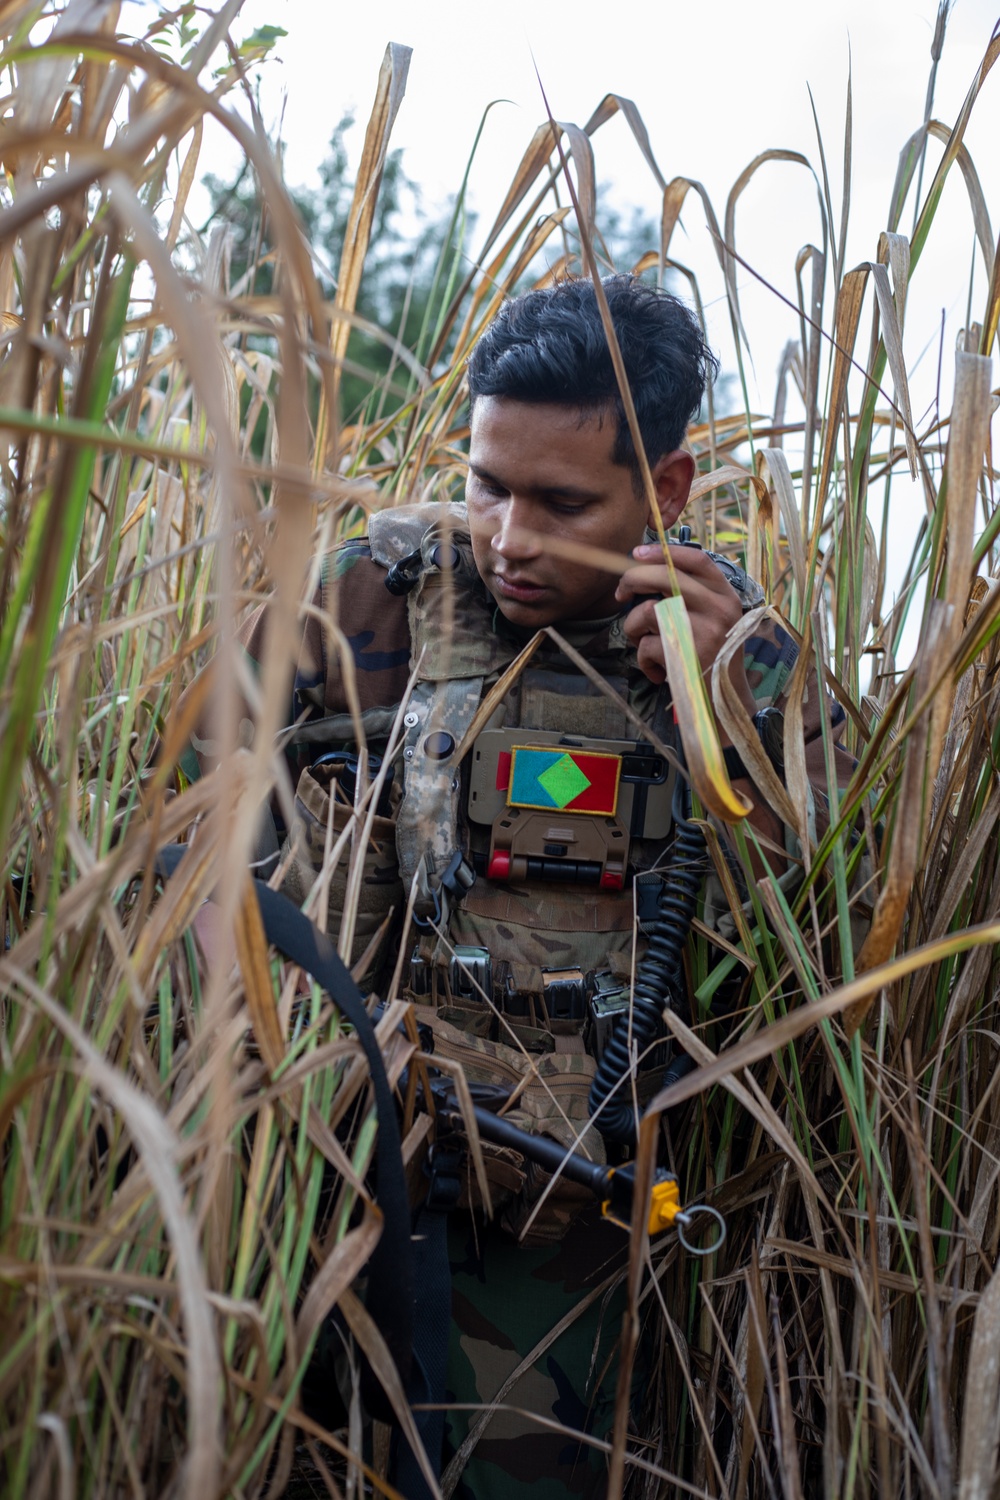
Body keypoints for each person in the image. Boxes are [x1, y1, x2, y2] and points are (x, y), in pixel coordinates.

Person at [179, 274, 848, 1498]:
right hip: (314, 1198)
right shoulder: (370, 600)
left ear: (670, 492)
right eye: (487, 483)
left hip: (557, 1255)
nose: (509, 538)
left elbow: (844, 924)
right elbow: (174, 826)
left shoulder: (728, 658)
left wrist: (741, 700)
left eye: (563, 502)